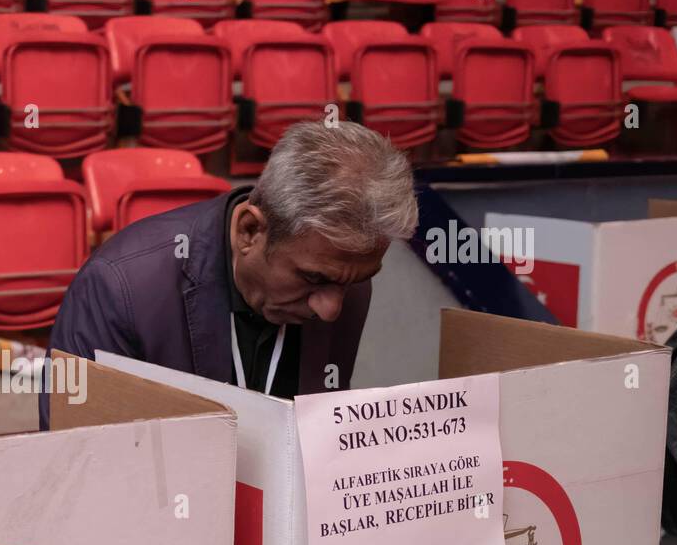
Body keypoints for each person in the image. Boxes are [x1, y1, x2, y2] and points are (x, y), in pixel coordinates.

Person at [39, 121, 419, 428]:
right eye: (313, 279)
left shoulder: (343, 275)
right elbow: (79, 459)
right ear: (249, 231)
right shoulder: (118, 287)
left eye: (353, 282)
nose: (332, 310)